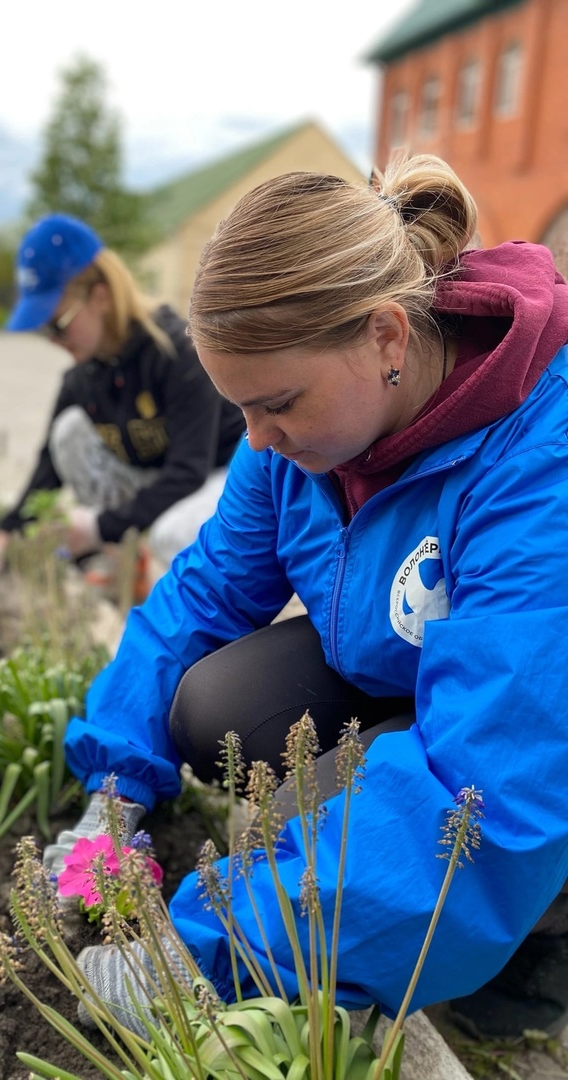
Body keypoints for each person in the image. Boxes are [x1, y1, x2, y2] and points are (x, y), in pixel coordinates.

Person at [41, 154, 568, 1041]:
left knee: (461, 896)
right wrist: (114, 781)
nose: (254, 441)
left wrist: (212, 949)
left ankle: (544, 936)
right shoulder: (288, 435)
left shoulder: (538, 458)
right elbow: (206, 588)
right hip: (421, 666)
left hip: (541, 717)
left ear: (388, 338)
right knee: (213, 707)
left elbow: (496, 772)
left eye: (277, 403)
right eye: (239, 407)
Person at [0, 213, 245, 594]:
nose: (53, 341)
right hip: (164, 478)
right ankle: (123, 560)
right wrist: (1, 538)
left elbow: (189, 471)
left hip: (220, 474)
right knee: (68, 433)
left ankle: (181, 590)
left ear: (100, 296)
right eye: (43, 329)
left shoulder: (176, 353)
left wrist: (96, 527)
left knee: (172, 534)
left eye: (57, 324)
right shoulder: (83, 376)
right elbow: (48, 469)